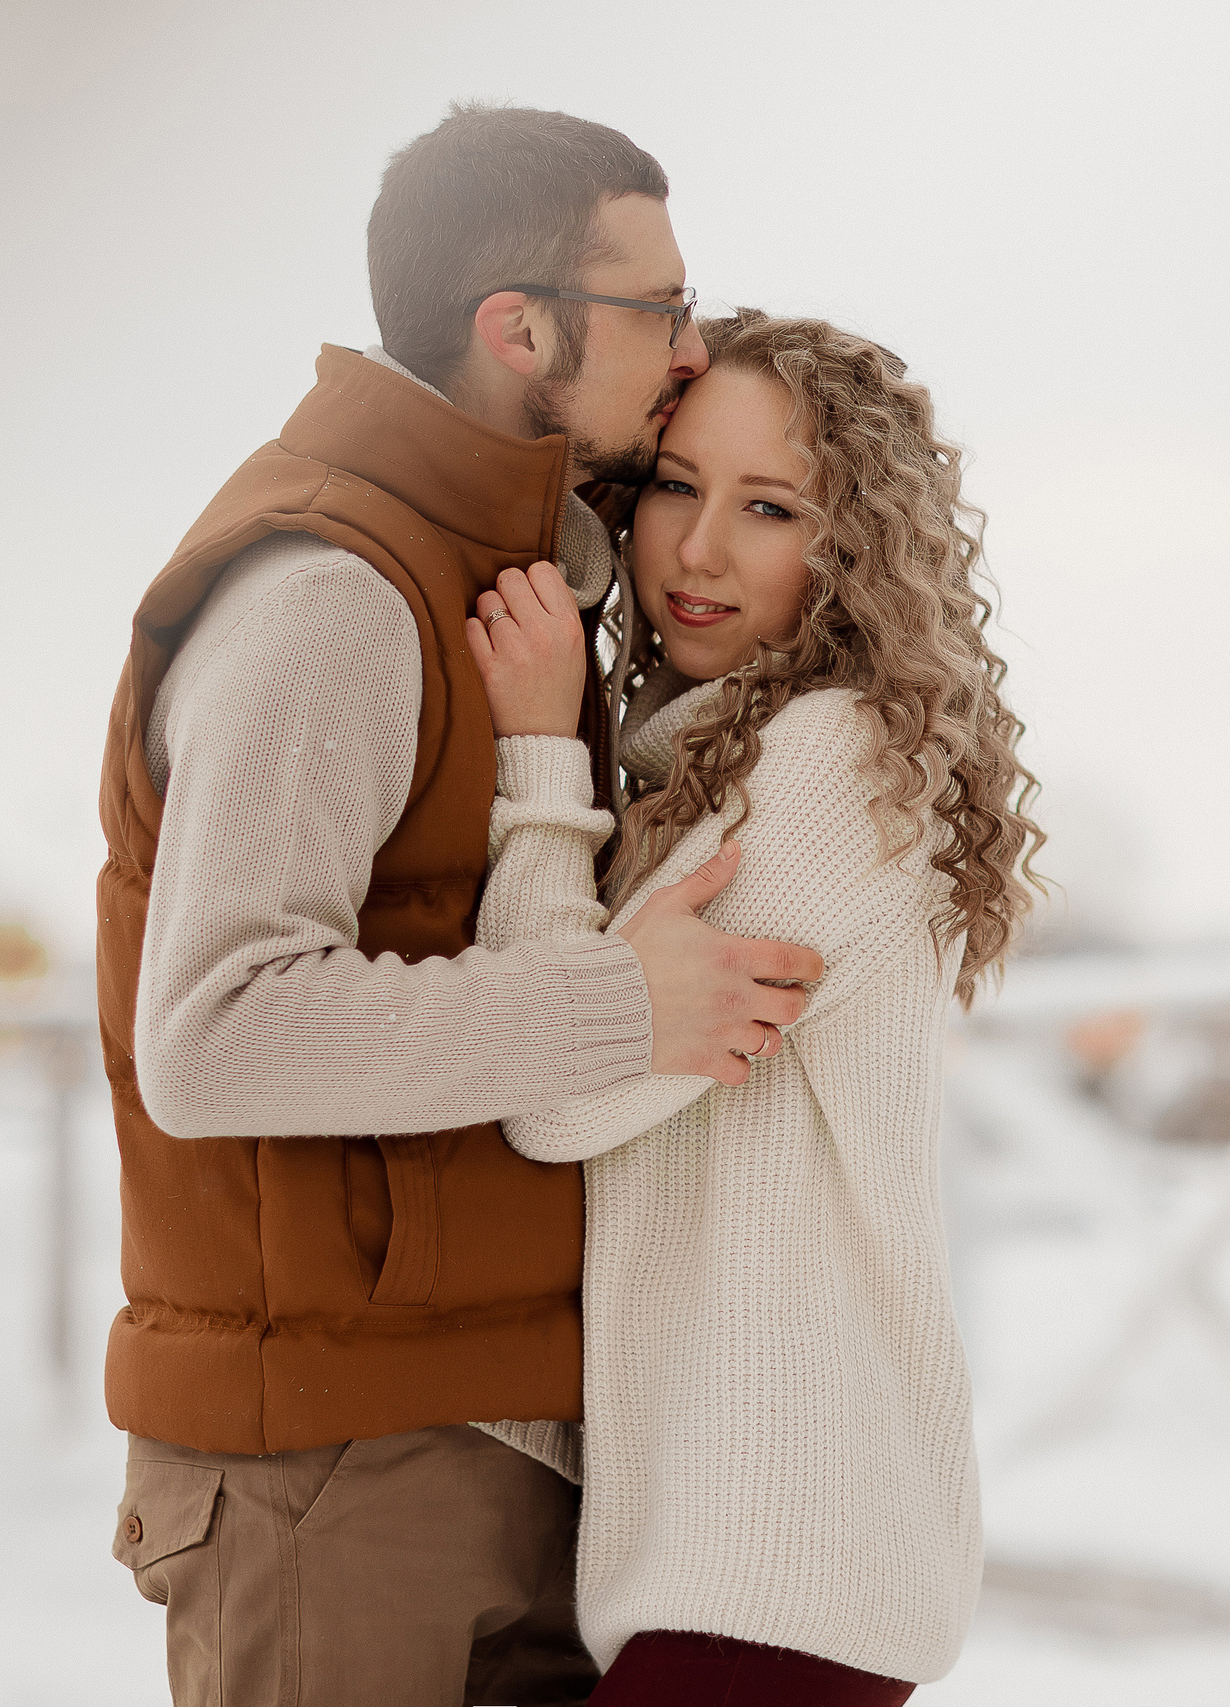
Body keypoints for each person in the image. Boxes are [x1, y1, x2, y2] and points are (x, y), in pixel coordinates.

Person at [93, 107, 822, 1707]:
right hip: (334, 1473)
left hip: (500, 1436)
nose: (692, 354)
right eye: (662, 313)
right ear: (523, 331)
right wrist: (622, 1009)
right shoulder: (330, 597)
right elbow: (214, 1031)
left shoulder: (502, 584)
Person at [466, 309, 1044, 1704]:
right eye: (677, 485)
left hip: (783, 1558)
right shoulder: (704, 763)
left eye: (769, 507)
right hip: (736, 1564)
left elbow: (555, 1088)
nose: (700, 548)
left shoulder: (830, 766)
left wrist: (539, 755)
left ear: (854, 552)